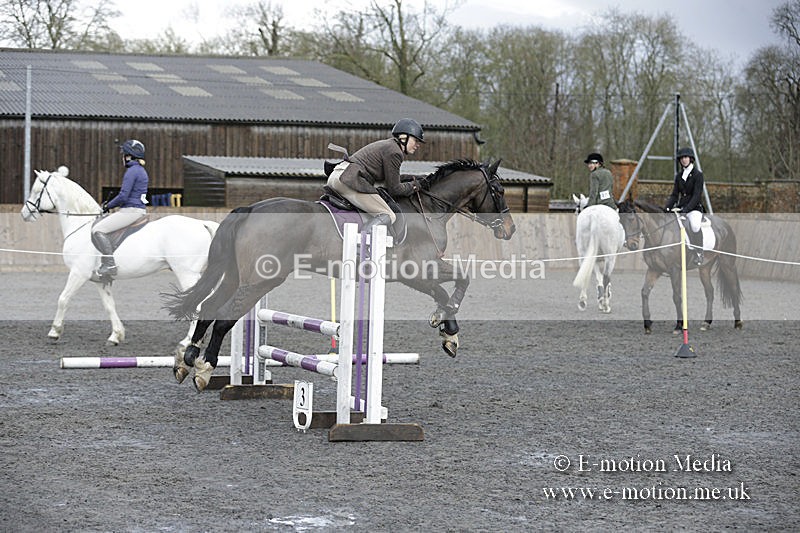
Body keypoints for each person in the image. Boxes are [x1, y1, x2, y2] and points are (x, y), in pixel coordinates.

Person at [326, 118, 424, 232]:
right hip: (349, 180)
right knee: (388, 215)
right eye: (416, 140)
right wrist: (415, 186)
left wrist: (415, 178)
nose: (418, 145)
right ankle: (362, 244)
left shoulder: (388, 146)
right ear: (403, 137)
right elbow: (395, 189)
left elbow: (393, 178)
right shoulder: (395, 152)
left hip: (337, 176)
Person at [91, 139, 149, 280]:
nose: (122, 157)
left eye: (124, 154)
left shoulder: (132, 171)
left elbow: (123, 196)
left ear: (128, 156)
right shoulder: (140, 170)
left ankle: (110, 264)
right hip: (137, 209)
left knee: (98, 230)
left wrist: (107, 205)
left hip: (131, 210)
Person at [664, 147, 705, 266]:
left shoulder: (698, 175)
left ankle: (699, 252)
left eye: (686, 157)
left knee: (695, 225)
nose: (684, 160)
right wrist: (667, 207)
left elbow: (697, 196)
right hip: (681, 208)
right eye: (682, 158)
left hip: (694, 208)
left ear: (691, 159)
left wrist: (686, 210)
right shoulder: (679, 176)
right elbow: (674, 195)